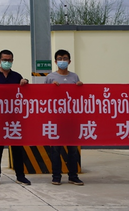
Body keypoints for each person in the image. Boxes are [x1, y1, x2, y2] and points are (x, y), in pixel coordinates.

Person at [0, 49, 30, 186]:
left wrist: (25, 81)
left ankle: (20, 175)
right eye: (4, 60)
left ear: (12, 61)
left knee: (17, 148)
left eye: (9, 60)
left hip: (14, 118)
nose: (7, 62)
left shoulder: (16, 76)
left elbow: (25, 93)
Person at [45, 49, 84, 186]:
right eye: (60, 58)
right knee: (56, 149)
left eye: (65, 58)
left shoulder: (74, 77)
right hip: (56, 118)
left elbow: (79, 98)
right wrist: (51, 88)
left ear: (69, 61)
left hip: (72, 118)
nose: (63, 61)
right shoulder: (50, 77)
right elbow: (44, 97)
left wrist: (80, 87)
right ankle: (56, 176)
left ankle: (73, 176)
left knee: (72, 149)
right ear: (55, 62)